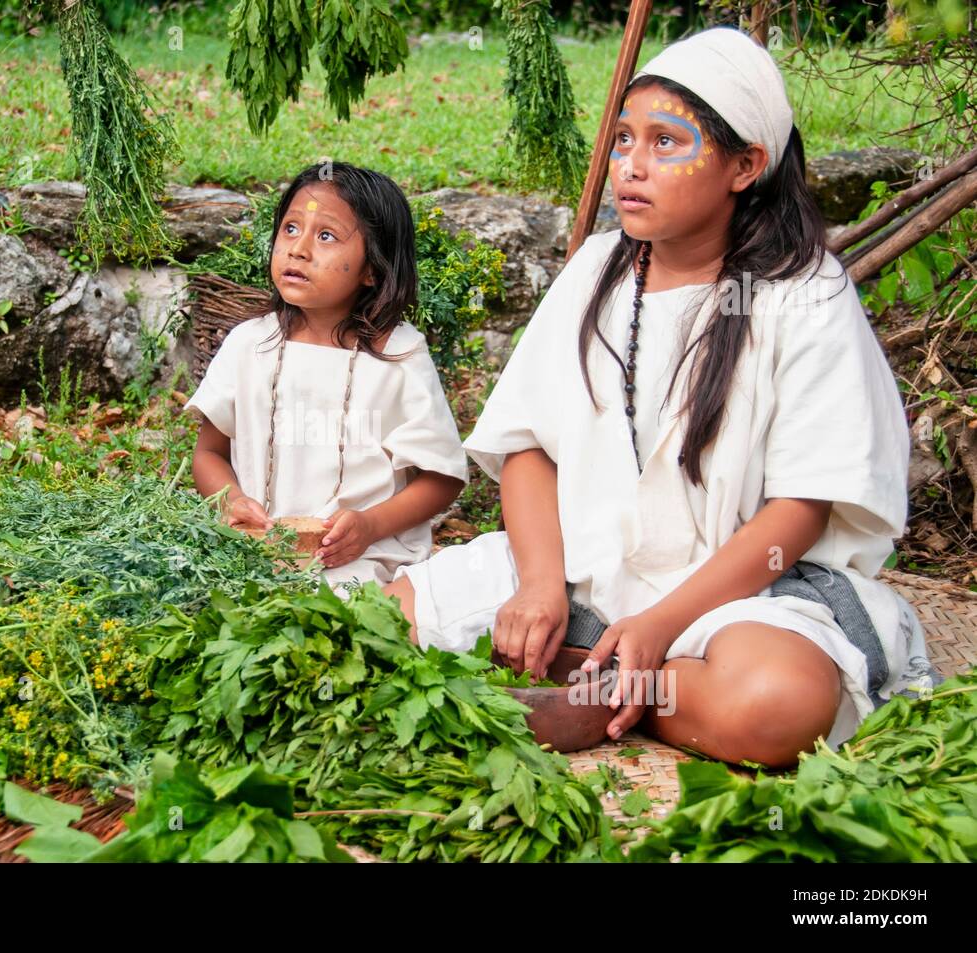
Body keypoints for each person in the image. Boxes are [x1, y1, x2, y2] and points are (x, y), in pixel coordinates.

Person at [383, 26, 936, 768]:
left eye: (666, 143)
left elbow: (799, 511)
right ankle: (606, 663)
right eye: (622, 141)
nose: (630, 168)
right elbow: (527, 445)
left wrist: (660, 622)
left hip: (748, 594)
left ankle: (609, 680)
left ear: (745, 165)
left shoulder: (803, 295)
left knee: (772, 705)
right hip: (587, 568)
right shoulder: (600, 268)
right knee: (390, 627)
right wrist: (543, 585)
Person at [186, 161, 468, 595]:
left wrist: (371, 526)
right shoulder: (249, 346)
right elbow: (209, 453)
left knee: (341, 619)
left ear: (372, 269)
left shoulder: (399, 356)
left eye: (326, 236)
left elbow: (442, 478)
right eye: (291, 229)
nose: (298, 249)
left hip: (365, 557)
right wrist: (231, 502)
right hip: (256, 552)